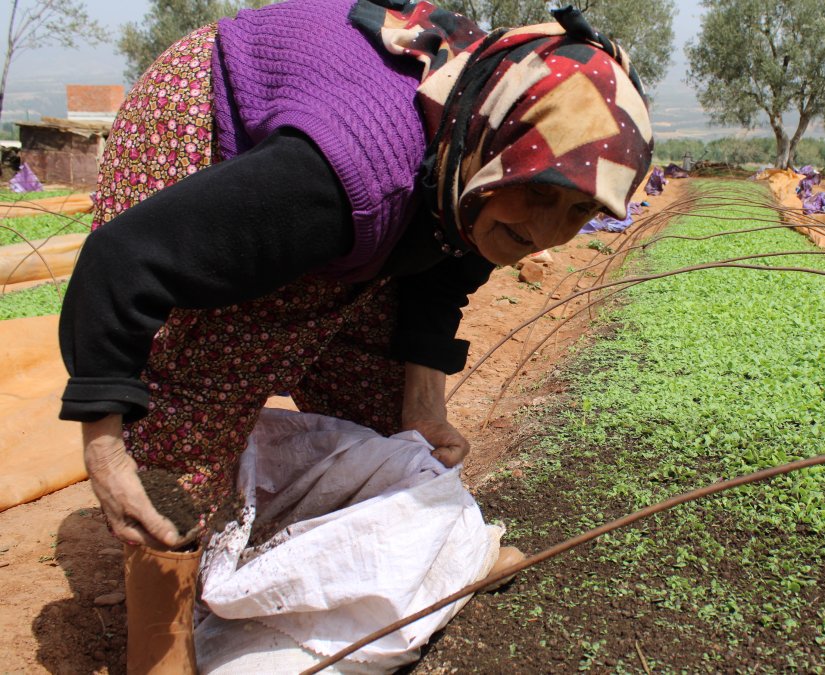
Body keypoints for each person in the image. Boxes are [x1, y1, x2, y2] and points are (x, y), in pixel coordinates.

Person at [58, 0, 653, 671]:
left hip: (355, 171)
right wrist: (106, 447)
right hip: (205, 110)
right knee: (203, 365)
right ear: (497, 148)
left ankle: (386, 561)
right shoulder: (346, 174)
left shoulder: (480, 155)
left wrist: (422, 400)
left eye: (578, 210)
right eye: (539, 194)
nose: (543, 234)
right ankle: (156, 640)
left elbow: (448, 261)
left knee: (380, 402)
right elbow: (124, 260)